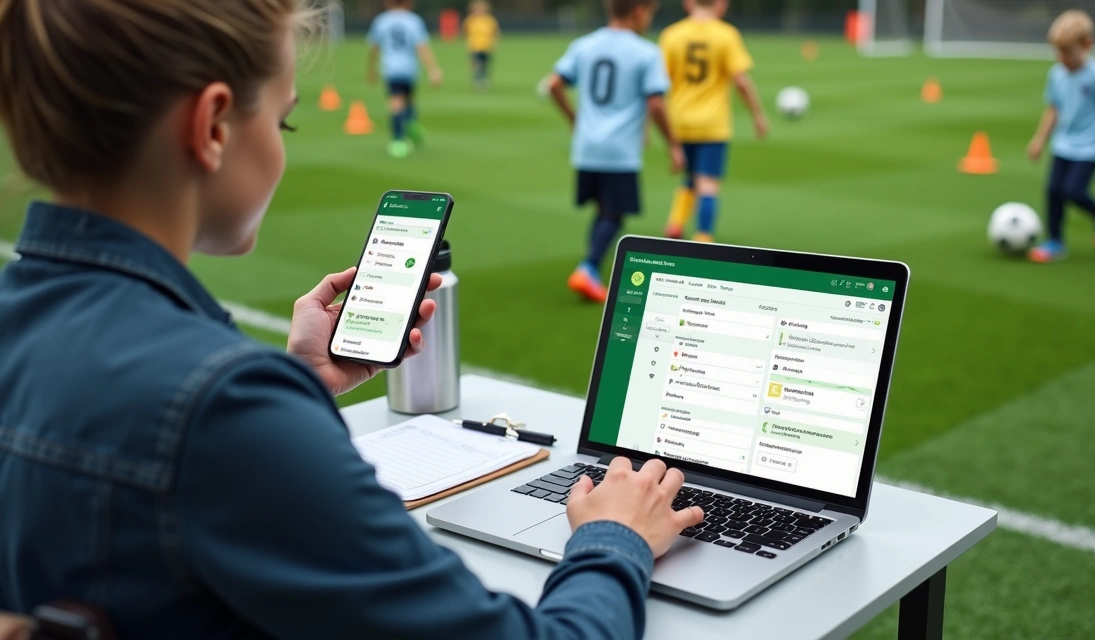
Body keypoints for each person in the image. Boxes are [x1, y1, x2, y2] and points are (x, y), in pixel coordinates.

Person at [0, 1, 703, 638]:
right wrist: (615, 537)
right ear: (212, 125)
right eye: (283, 120)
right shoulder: (219, 411)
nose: (281, 144)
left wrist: (294, 385)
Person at [550, 0, 684, 303]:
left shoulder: (584, 44)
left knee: (602, 209)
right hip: (620, 149)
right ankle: (589, 266)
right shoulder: (646, 52)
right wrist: (674, 144)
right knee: (615, 213)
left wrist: (575, 120)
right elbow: (655, 102)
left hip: (587, 146)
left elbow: (554, 84)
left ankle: (592, 271)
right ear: (639, 11)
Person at [660, 0, 767, 243]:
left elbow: (660, 83)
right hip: (712, 124)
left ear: (688, 2)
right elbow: (740, 80)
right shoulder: (726, 35)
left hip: (679, 120)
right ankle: (703, 237)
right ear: (721, 4)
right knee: (707, 183)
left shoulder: (672, 34)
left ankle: (675, 224)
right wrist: (758, 115)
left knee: (689, 176)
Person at [1026, 9, 1095, 263]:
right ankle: (1055, 241)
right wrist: (1040, 140)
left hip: (1091, 146)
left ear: (1087, 45)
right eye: (1057, 51)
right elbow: (1053, 109)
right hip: (1063, 143)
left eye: (1067, 52)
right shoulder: (1056, 74)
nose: (1061, 58)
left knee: (1073, 191)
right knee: (1053, 191)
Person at [367, 0, 444, 159]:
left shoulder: (381, 20)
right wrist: (433, 69)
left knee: (396, 102)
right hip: (409, 68)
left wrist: (371, 68)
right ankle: (410, 126)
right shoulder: (414, 20)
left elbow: (374, 47)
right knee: (407, 100)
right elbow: (422, 47)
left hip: (391, 68)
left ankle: (398, 140)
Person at [464, 0, 499, 91]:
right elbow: (465, 32)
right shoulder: (470, 20)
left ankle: (483, 80)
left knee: (485, 65)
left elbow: (495, 32)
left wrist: (494, 42)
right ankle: (477, 81)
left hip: (486, 47)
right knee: (476, 65)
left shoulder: (489, 20)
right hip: (474, 47)